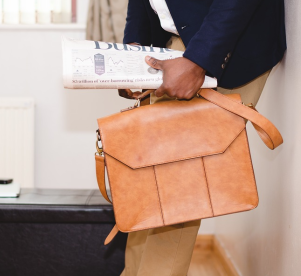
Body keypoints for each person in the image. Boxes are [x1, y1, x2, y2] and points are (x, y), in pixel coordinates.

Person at [118, 0, 286, 275]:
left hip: (224, 44)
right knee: (149, 179)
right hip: (173, 43)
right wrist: (133, 48)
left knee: (177, 187)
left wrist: (199, 60)